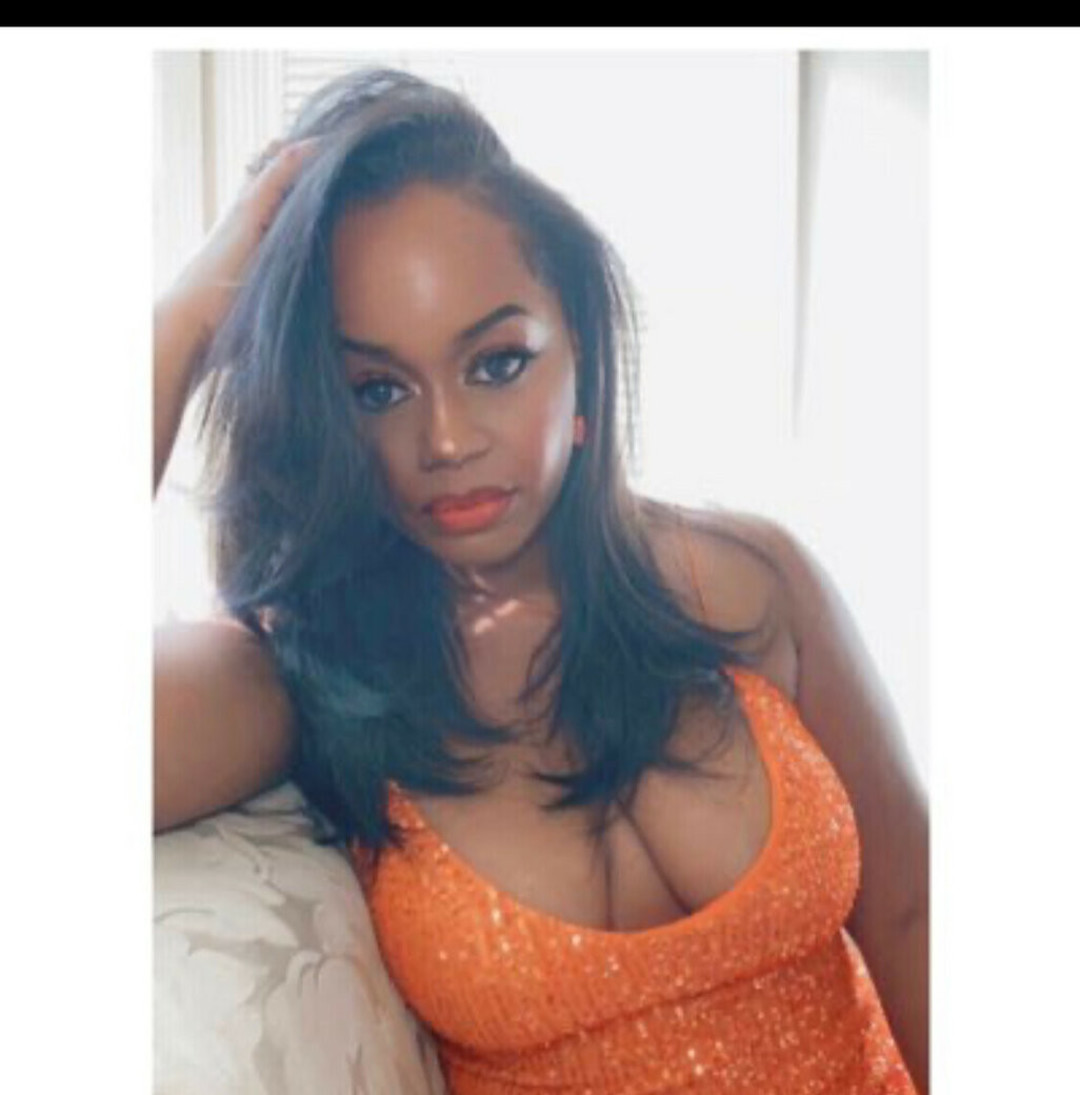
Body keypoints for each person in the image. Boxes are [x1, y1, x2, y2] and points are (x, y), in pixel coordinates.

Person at [154, 68, 928, 1094]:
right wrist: (186, 323)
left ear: (580, 353)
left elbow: (916, 916)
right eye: (377, 389)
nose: (445, 439)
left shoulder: (750, 581)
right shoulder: (303, 672)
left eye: (497, 363)